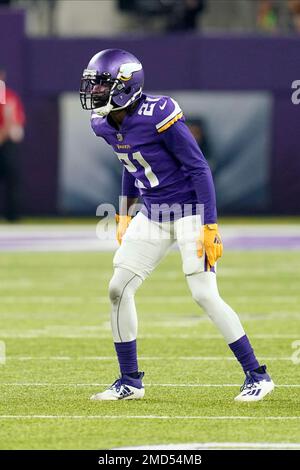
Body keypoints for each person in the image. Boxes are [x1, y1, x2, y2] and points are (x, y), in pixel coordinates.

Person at [80, 49, 274, 402]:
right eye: (93, 86)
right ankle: (130, 381)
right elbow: (128, 163)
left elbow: (199, 168)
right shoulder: (103, 123)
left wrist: (209, 226)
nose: (94, 93)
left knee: (203, 293)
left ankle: (257, 375)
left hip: (188, 212)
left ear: (126, 85)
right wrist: (125, 213)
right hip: (153, 214)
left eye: (101, 85)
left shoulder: (159, 113)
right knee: (118, 288)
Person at [0, 68, 25, 221]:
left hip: (7, 144)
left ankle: (13, 216)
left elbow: (12, 122)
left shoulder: (7, 96)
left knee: (12, 178)